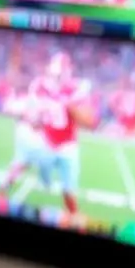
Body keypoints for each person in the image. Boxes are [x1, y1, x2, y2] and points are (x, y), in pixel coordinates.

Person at [17, 51, 94, 215]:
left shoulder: (76, 89)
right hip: (47, 143)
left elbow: (90, 122)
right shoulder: (40, 87)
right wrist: (35, 118)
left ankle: (74, 216)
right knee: (44, 178)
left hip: (68, 146)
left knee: (69, 190)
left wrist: (70, 105)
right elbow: (33, 119)